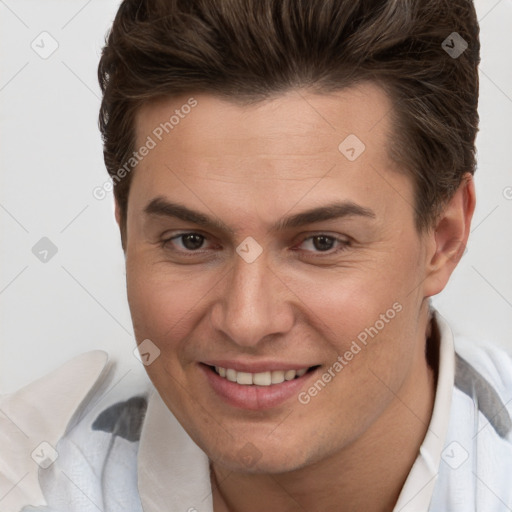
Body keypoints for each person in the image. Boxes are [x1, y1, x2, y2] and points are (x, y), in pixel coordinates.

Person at [2, 0, 512, 511]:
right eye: (191, 240)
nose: (247, 322)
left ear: (443, 239)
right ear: (125, 229)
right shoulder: (29, 484)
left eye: (321, 243)